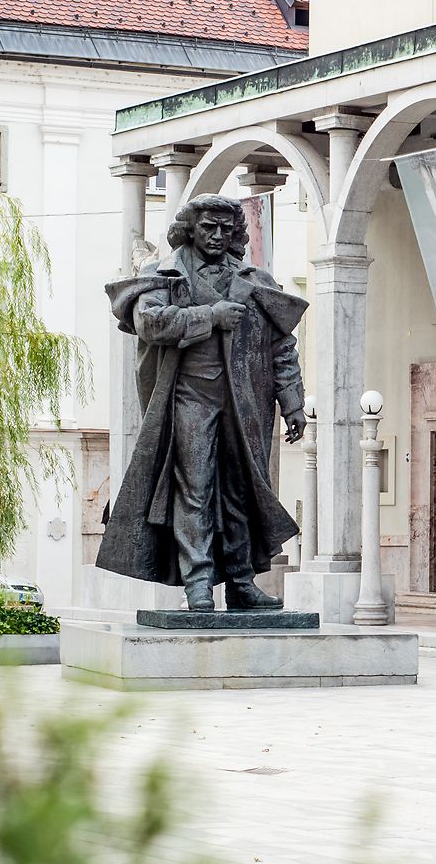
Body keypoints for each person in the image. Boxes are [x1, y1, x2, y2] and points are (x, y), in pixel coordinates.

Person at [96, 194, 307, 612]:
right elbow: (149, 323)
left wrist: (293, 401)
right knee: (195, 490)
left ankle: (242, 581)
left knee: (242, 489)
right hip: (189, 397)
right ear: (189, 228)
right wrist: (210, 316)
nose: (217, 235)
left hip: (247, 401)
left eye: (226, 229)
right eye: (208, 226)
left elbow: (281, 346)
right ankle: (198, 583)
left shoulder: (255, 280)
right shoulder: (164, 274)